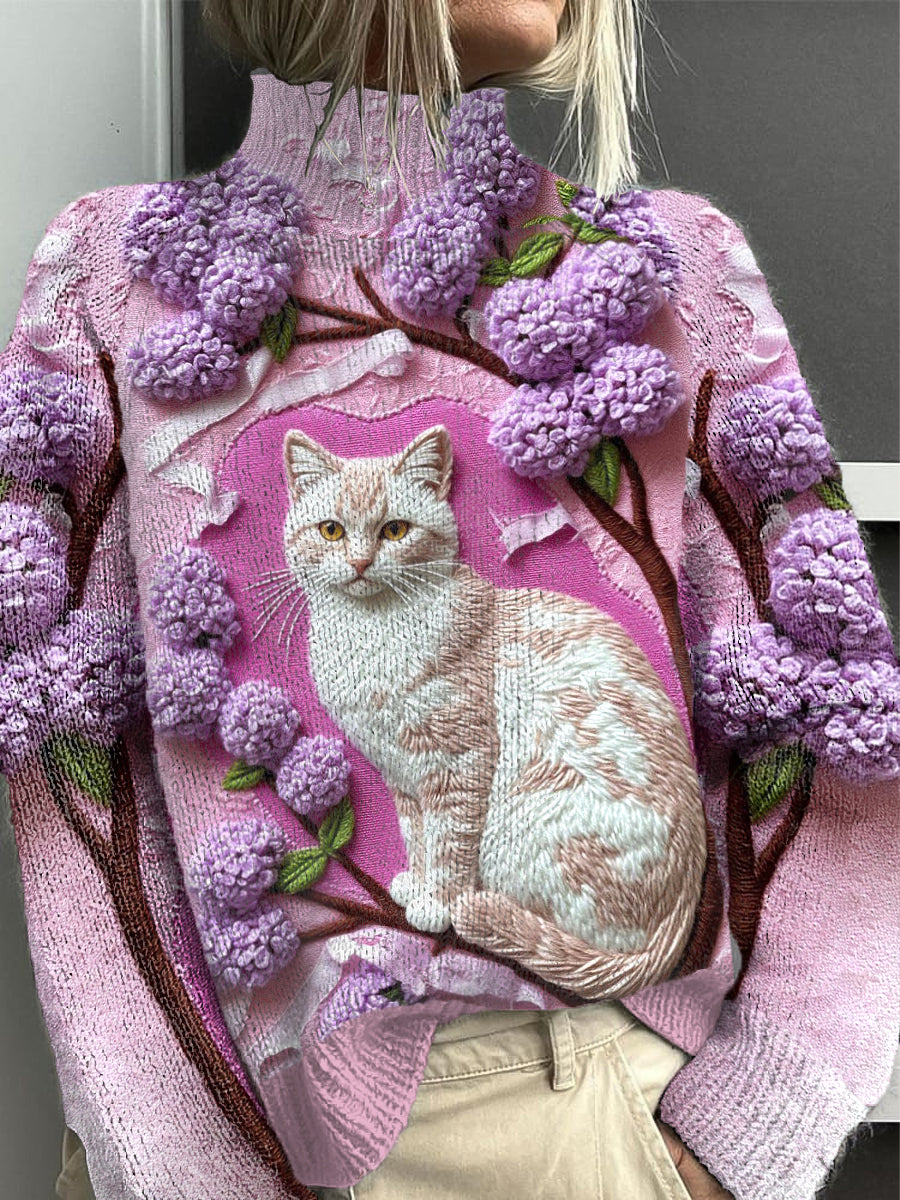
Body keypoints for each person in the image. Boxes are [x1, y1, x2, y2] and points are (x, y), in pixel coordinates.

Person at [0, 2, 895, 1199]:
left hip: (571, 1118)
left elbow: (841, 734)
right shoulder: (116, 276)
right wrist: (168, 1154)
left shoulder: (660, 272)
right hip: (200, 1123)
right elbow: (66, 763)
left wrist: (752, 1124)